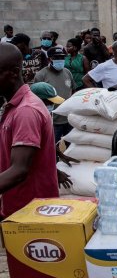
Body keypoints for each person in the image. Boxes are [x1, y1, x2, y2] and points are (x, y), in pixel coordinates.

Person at [0, 43, 59, 219]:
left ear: (12, 72)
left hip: (31, 214)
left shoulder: (26, 111)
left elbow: (19, 170)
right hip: (17, 209)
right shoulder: (13, 107)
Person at [34, 46, 76, 143]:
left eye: (62, 57)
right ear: (50, 59)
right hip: (53, 121)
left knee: (71, 146)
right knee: (51, 146)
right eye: (56, 58)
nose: (60, 60)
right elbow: (37, 98)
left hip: (68, 118)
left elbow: (73, 89)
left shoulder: (67, 72)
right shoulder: (41, 75)